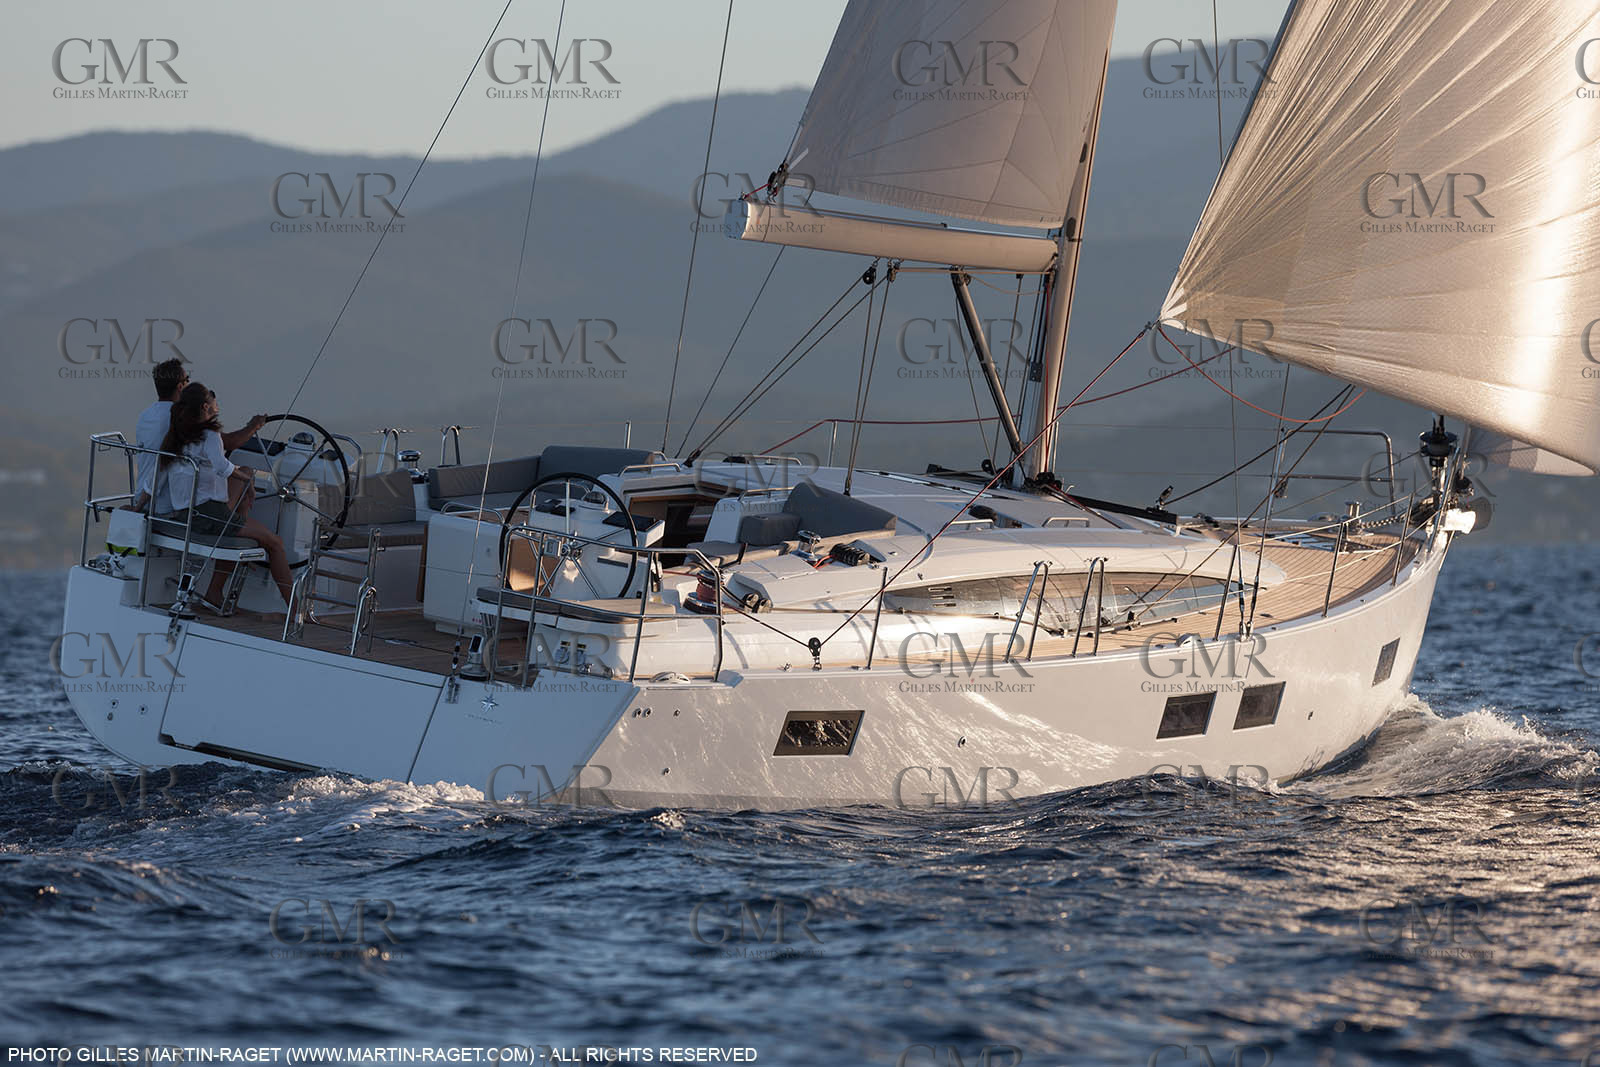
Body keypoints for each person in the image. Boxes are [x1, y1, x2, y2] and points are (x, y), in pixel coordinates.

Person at [156, 383, 294, 611]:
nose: (217, 405)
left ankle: (214, 591)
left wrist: (140, 505)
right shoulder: (210, 434)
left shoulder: (177, 434)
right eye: (214, 400)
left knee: (246, 471)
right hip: (208, 514)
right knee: (276, 544)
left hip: (185, 513)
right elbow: (222, 466)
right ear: (205, 406)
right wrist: (247, 481)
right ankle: (296, 612)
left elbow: (159, 476)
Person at [133, 358, 267, 511]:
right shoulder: (180, 418)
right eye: (187, 379)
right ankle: (236, 527)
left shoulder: (145, 416)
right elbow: (230, 443)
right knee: (246, 472)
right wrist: (254, 426)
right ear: (180, 386)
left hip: (144, 498)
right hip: (170, 504)